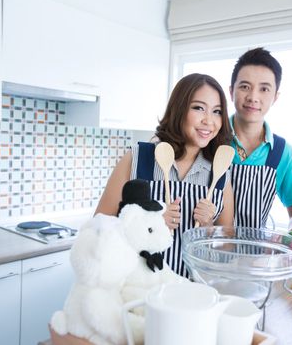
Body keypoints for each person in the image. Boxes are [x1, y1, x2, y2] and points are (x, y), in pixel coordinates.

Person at [95, 73, 234, 276]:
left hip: (191, 295)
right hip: (138, 292)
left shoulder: (220, 173)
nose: (209, 120)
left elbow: (227, 248)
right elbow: (99, 226)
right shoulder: (139, 158)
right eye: (198, 108)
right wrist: (148, 222)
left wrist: (208, 227)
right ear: (179, 109)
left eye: (217, 111)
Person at [229, 47, 292, 231]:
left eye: (264, 89)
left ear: (275, 97)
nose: (253, 97)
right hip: (206, 254)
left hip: (256, 256)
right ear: (231, 91)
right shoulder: (210, 139)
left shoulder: (282, 152)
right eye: (244, 87)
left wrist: (290, 245)